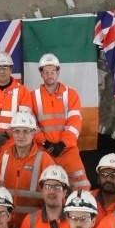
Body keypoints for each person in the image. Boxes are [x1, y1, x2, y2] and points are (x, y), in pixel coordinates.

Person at [29, 53, 87, 188]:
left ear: (58, 72)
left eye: (53, 71)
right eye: (46, 72)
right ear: (41, 74)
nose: (50, 75)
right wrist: (44, 141)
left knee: (81, 186)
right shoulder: (32, 96)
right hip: (43, 150)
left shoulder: (71, 95)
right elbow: (32, 125)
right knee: (42, 188)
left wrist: (63, 143)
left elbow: (75, 123)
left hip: (67, 150)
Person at [0, 109, 56, 228]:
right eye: (17, 131)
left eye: (26, 131)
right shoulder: (3, 157)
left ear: (33, 133)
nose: (21, 135)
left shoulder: (44, 160)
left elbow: (55, 198)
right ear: (12, 133)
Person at [18, 164, 71, 228]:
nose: (51, 191)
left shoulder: (73, 220)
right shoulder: (30, 221)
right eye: (47, 186)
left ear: (64, 192)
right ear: (42, 191)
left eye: (57, 187)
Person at [92, 152, 115, 220]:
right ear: (98, 178)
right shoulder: (88, 198)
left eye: (114, 175)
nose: (108, 179)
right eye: (104, 174)